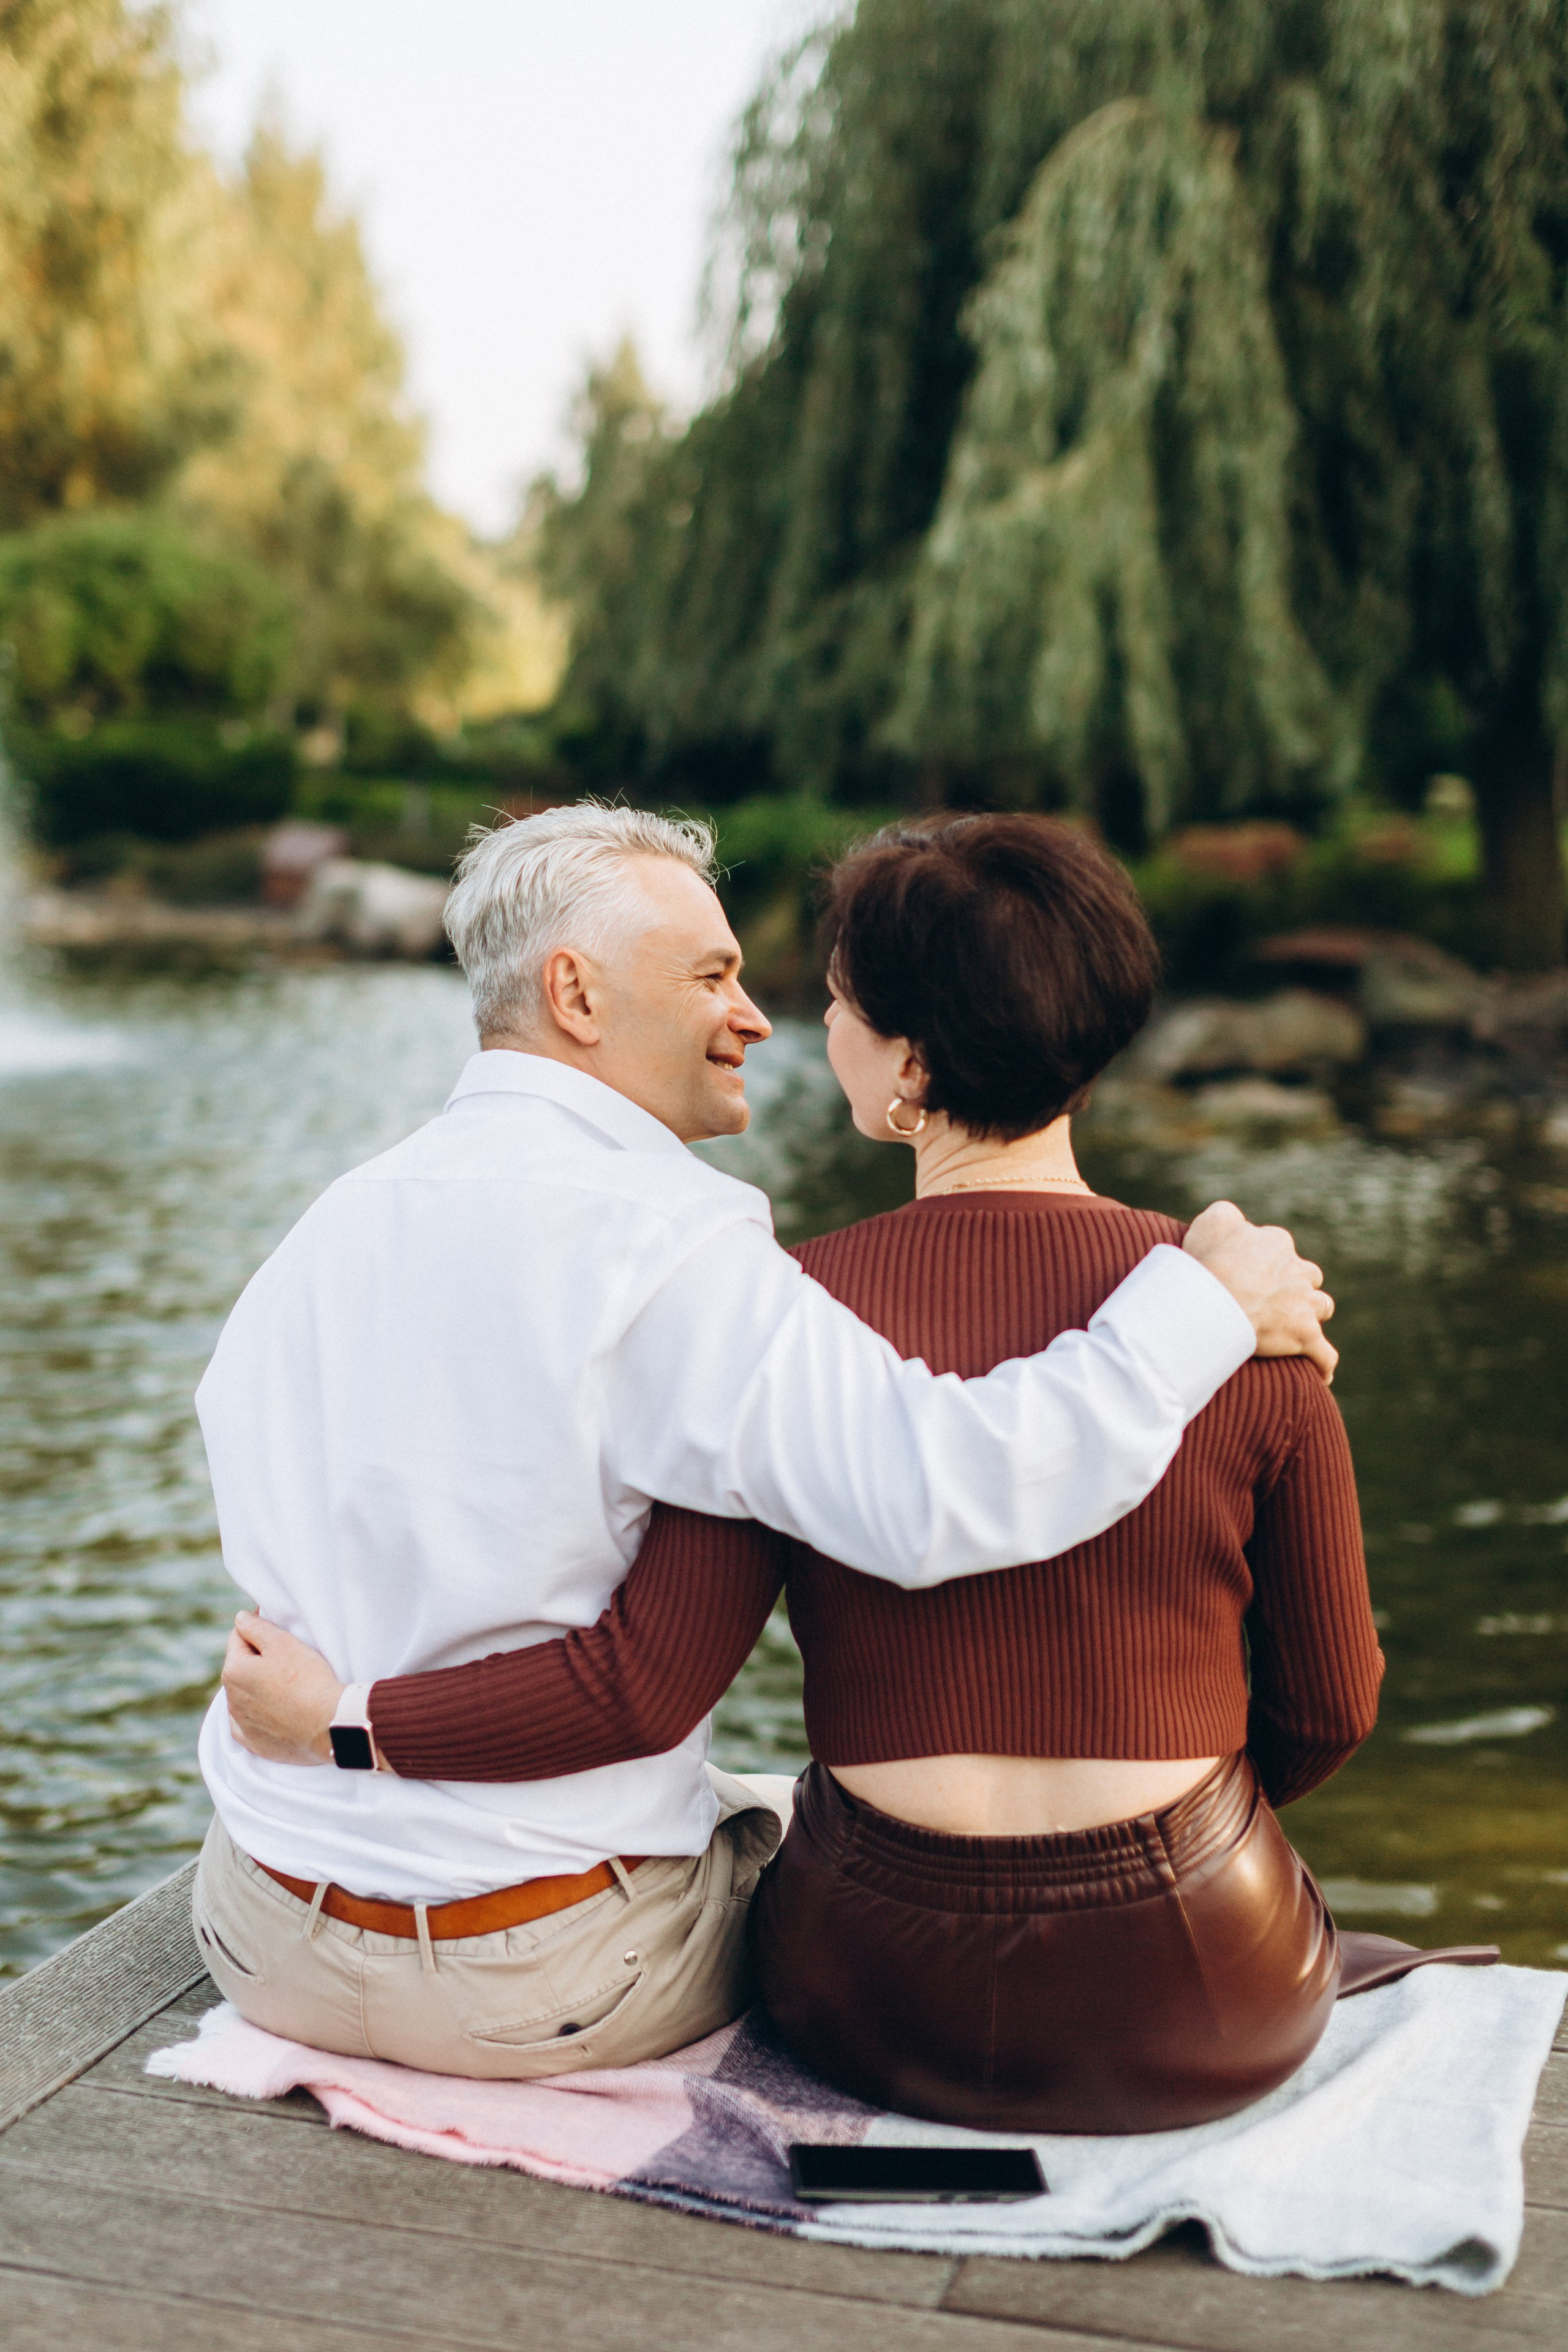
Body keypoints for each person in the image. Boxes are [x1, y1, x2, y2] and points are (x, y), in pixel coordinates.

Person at [198, 803, 1336, 2084]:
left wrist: (337, 1724)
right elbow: (933, 1498)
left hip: (262, 1936)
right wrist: (1197, 1305)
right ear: (574, 993)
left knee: (790, 1822)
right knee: (761, 1825)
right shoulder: (676, 1253)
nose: (756, 1015)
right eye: (713, 975)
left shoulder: (324, 1232)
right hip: (531, 1978)